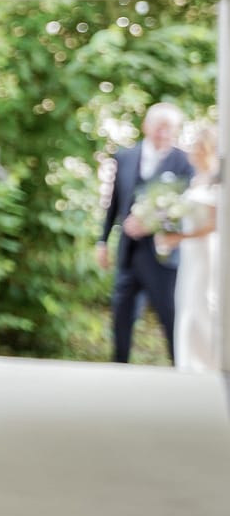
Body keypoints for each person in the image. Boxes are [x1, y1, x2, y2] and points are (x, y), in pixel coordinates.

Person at [97, 101, 193, 364]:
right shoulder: (125, 157)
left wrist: (151, 222)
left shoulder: (184, 161)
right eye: (159, 127)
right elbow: (114, 202)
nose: (164, 133)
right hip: (128, 252)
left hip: (163, 256)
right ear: (146, 126)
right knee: (121, 313)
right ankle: (119, 367)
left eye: (169, 128)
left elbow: (187, 208)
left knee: (169, 314)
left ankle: (178, 367)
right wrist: (102, 241)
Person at [161, 124, 219, 372]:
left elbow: (214, 225)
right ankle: (188, 361)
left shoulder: (216, 181)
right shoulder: (195, 179)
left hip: (205, 251)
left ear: (207, 150)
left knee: (202, 303)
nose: (192, 152)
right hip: (189, 253)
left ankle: (208, 361)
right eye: (191, 147)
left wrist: (181, 237)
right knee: (186, 302)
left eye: (197, 147)